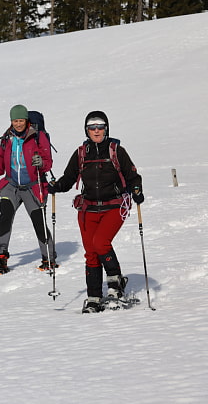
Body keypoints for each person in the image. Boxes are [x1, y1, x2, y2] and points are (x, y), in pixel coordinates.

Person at [48, 111, 143, 313]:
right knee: (91, 252)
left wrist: (137, 190)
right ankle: (94, 297)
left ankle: (116, 285)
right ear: (87, 130)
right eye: (92, 127)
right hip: (88, 208)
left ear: (106, 128)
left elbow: (132, 176)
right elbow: (68, 177)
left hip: (115, 206)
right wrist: (57, 185)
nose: (96, 130)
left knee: (100, 243)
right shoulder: (82, 153)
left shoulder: (116, 151)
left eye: (100, 126)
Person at [0, 104, 55, 274]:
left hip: (33, 187)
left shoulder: (38, 137)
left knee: (38, 221)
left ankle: (48, 257)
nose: (18, 124)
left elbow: (48, 162)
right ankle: (1, 258)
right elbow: (0, 164)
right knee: (5, 217)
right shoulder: (7, 138)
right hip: (11, 186)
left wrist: (41, 163)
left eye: (21, 120)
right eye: (15, 120)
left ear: (26, 121)